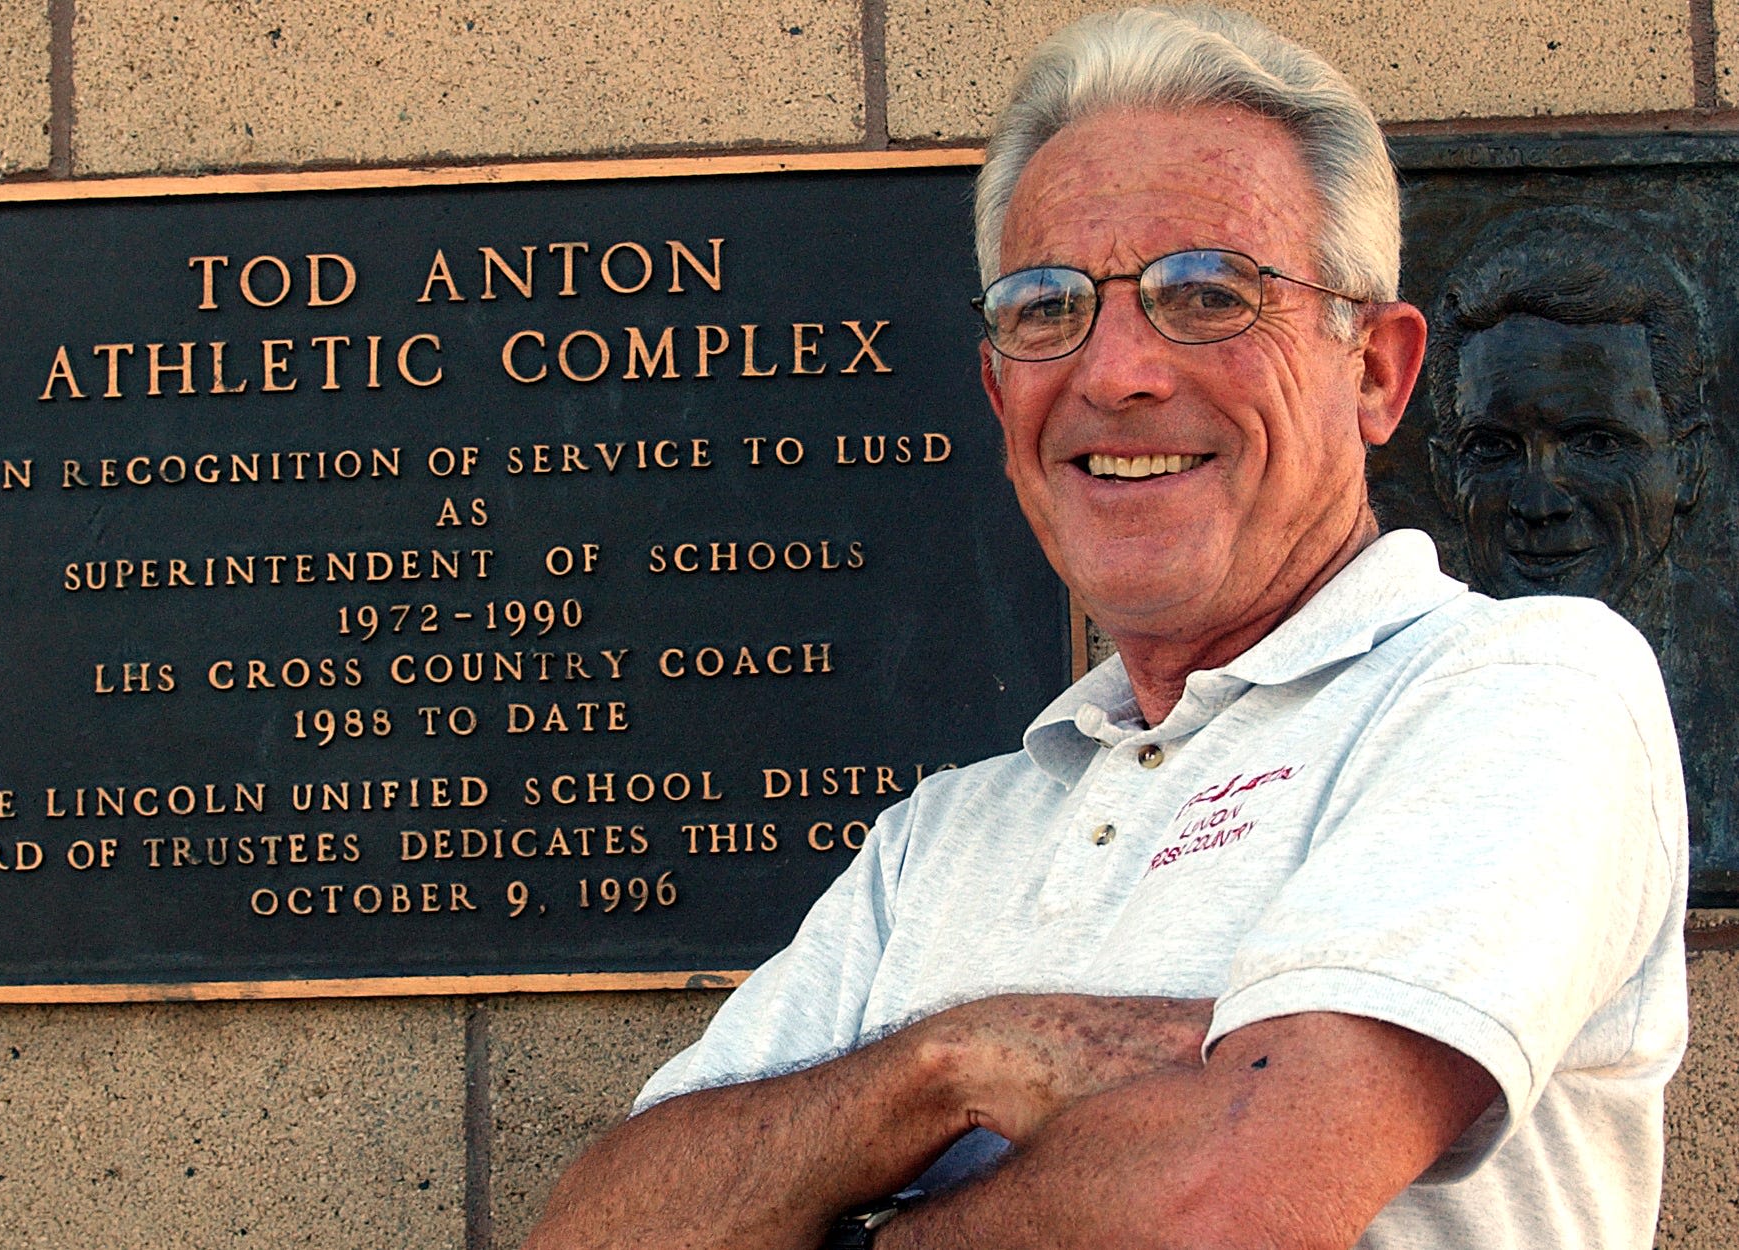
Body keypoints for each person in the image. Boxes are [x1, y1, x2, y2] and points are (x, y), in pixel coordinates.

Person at [525, 8, 1690, 1249]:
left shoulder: (1521, 691)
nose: (1116, 370)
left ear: (1377, 372)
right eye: (1046, 306)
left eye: (1207, 291)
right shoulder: (939, 840)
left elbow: (1225, 1205)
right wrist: (958, 1061)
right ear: (997, 391)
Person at [1425, 207, 1739, 886]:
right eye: (1494, 449)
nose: (1540, 502)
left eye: (1597, 443)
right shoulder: (1389, 712)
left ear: (1687, 466)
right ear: (1444, 474)